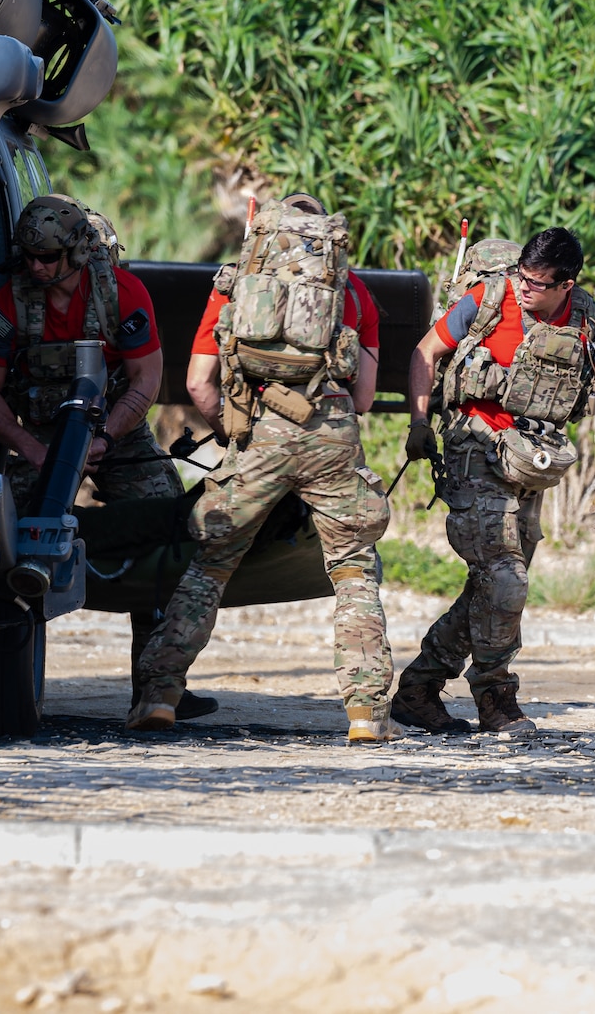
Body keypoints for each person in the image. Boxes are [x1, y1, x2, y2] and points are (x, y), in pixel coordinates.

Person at [128, 193, 396, 742]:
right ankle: (366, 711)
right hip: (332, 437)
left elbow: (200, 382)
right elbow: (365, 397)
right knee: (353, 571)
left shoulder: (235, 285)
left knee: (210, 567)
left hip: (257, 439)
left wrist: (236, 436)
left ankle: (158, 695)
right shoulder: (353, 290)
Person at [0, 195, 211, 720]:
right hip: (34, 436)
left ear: (77, 253)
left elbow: (147, 380)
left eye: (48, 258)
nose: (36, 267)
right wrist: (34, 451)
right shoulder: (10, 302)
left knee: (172, 524)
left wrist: (104, 439)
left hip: (114, 434)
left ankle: (159, 685)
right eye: (29, 256)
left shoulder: (121, 293)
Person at [393, 226, 595, 736]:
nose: (525, 289)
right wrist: (417, 423)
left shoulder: (590, 317)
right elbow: (425, 352)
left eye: (538, 283)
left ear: (567, 283)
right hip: (474, 449)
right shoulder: (488, 298)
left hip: (530, 462)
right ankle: (496, 700)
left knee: (496, 585)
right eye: (522, 277)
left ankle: (418, 689)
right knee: (506, 579)